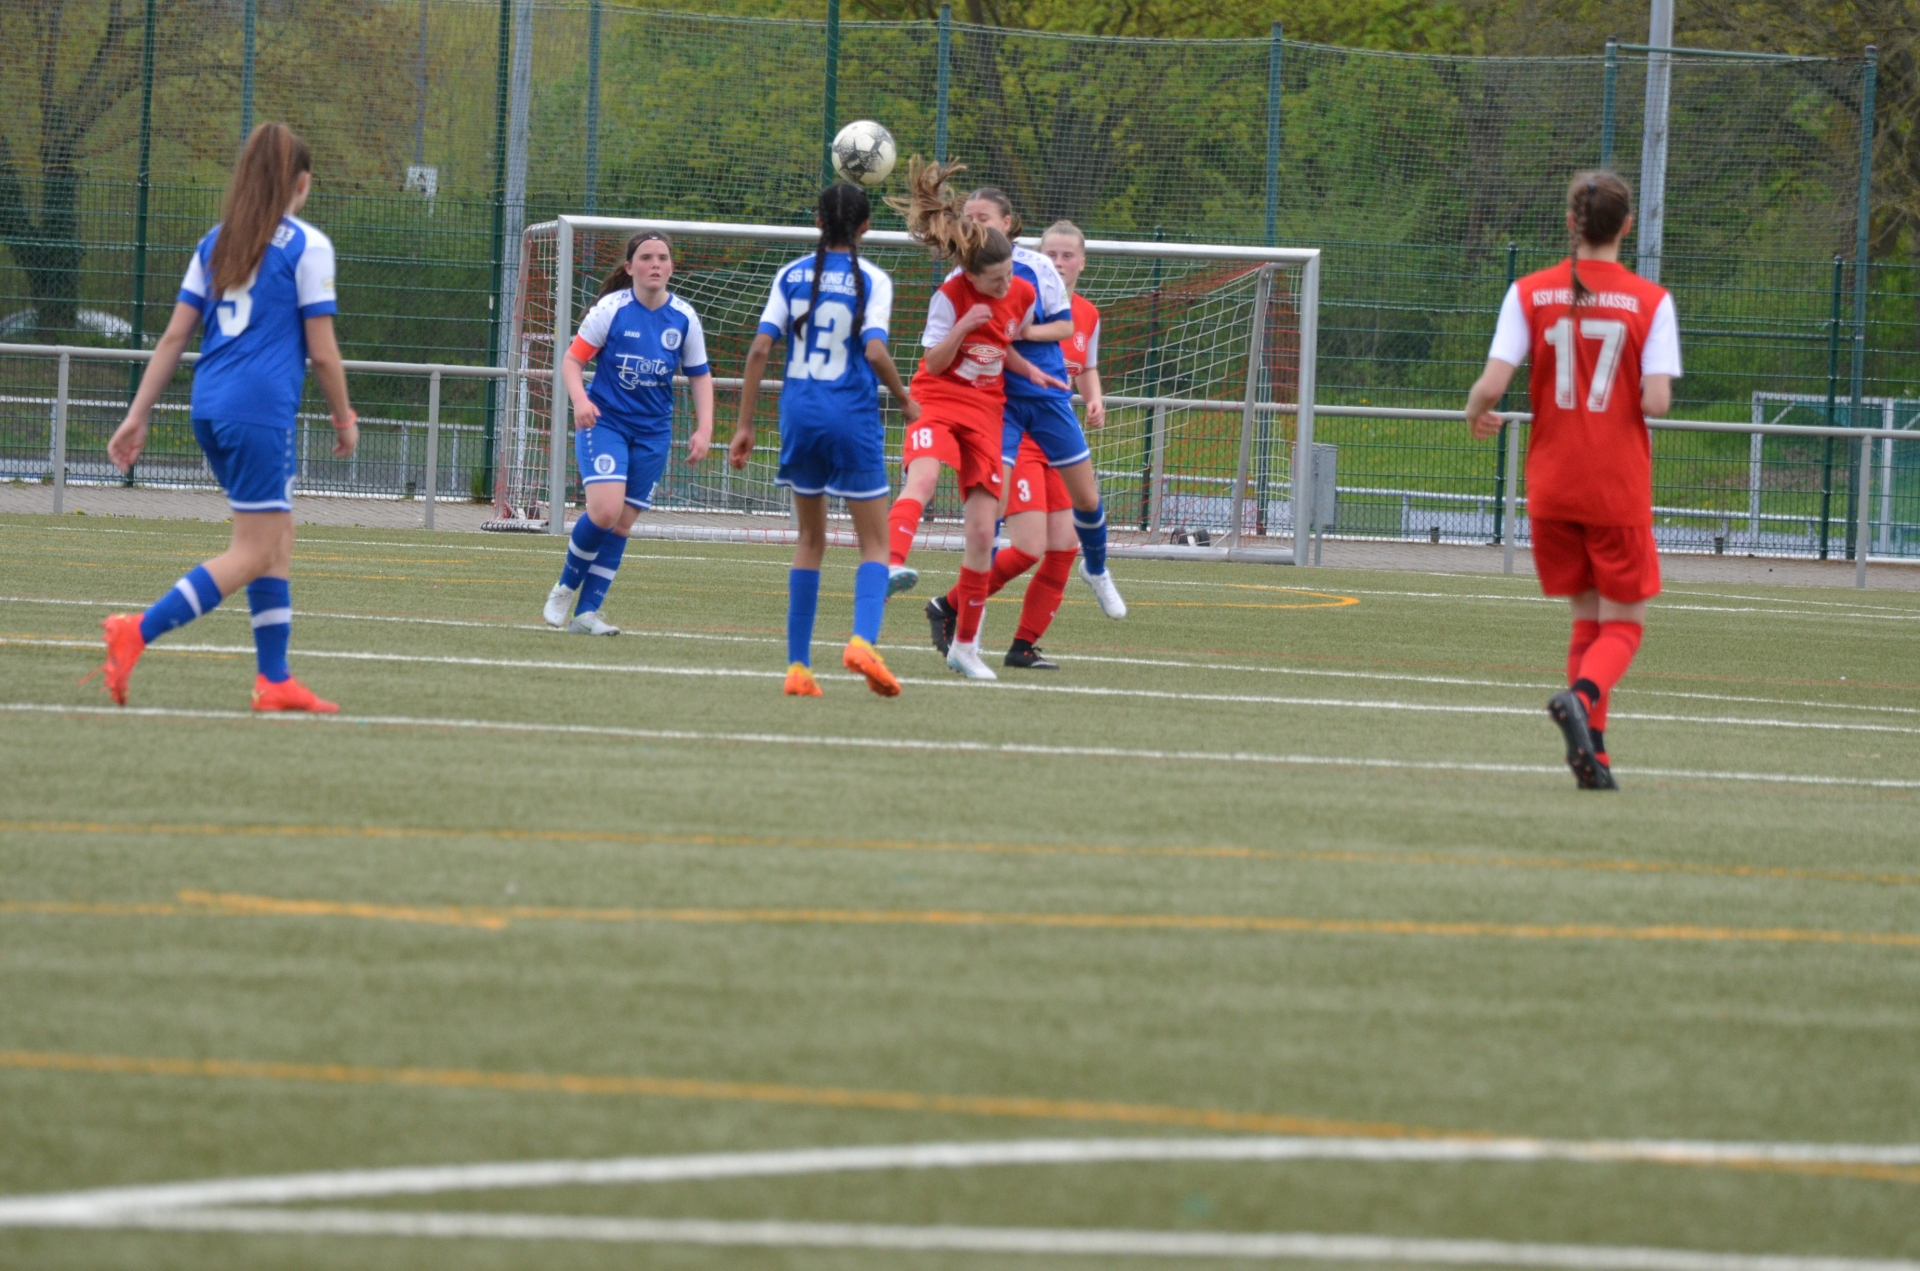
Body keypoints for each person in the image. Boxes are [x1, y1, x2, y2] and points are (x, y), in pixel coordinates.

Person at [98, 123, 356, 712]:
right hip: (259, 411)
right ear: (302, 184)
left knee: (276, 538)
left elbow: (173, 338)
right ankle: (136, 631)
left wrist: (137, 415)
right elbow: (322, 352)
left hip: (210, 406)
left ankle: (274, 679)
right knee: (255, 549)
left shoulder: (216, 241)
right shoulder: (307, 245)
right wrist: (344, 418)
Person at [1463, 171, 1681, 790]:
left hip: (1552, 485)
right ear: (1627, 226)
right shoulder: (1651, 301)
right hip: (1614, 486)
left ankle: (1595, 756)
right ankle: (1581, 699)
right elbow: (1657, 402)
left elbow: (1493, 384)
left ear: (1571, 222)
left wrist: (1475, 412)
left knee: (1587, 620)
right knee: (1624, 625)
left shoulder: (1529, 292)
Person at [914, 191, 1126, 649]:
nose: (976, 225)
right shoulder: (960, 281)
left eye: (984, 218)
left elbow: (1063, 331)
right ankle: (969, 621)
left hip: (1047, 400)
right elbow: (966, 347)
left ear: (1007, 223)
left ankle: (1096, 569)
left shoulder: (1034, 272)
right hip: (1001, 405)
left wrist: (1026, 334)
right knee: (995, 520)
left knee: (1084, 505)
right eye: (969, 218)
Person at [882, 157, 1067, 680]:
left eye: (1009, 275)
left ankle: (965, 646)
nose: (1005, 286)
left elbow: (1002, 345)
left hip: (987, 411)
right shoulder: (950, 296)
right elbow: (936, 362)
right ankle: (889, 566)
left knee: (984, 533)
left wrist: (1032, 370)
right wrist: (963, 324)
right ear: (970, 275)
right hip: (939, 398)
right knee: (923, 478)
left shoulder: (1022, 292)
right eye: (995, 280)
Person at [729, 183, 914, 698]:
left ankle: (798, 668)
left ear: (817, 221)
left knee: (811, 541)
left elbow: (760, 350)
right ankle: (862, 642)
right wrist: (904, 399)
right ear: (866, 227)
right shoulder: (872, 279)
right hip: (850, 416)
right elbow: (874, 353)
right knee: (875, 543)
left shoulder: (791, 274)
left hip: (800, 415)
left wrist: (745, 425)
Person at [543, 231, 714, 634]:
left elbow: (699, 376)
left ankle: (587, 614)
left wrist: (704, 428)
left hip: (653, 434)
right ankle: (564, 587)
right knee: (605, 512)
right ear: (629, 267)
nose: (655, 264)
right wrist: (580, 401)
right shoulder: (611, 309)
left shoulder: (684, 318)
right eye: (646, 257)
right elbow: (571, 361)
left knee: (621, 524)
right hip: (606, 423)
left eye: (662, 258)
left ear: (672, 267)